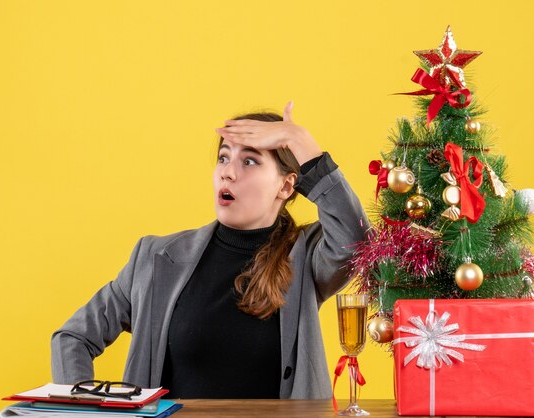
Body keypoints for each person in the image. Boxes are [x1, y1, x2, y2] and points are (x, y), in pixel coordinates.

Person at [51, 101, 369, 399]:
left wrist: (300, 141)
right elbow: (73, 337)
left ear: (286, 186)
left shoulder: (307, 256)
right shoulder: (155, 258)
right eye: (223, 157)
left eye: (250, 161)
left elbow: (358, 241)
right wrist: (83, 408)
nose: (228, 172)